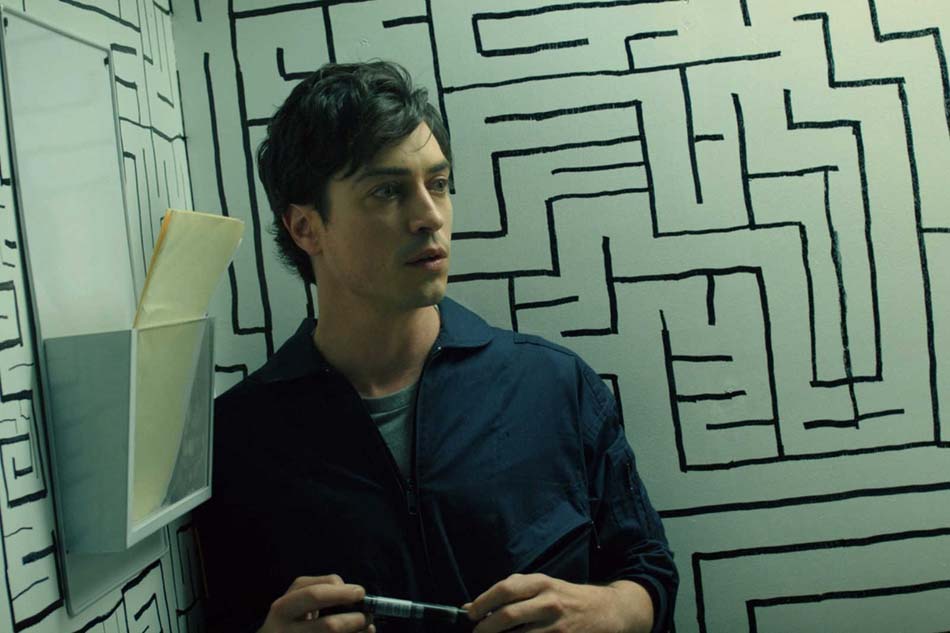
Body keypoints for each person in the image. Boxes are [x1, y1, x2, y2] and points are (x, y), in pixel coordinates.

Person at [194, 60, 677, 633]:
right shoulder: (239, 440)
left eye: (439, 184)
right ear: (305, 228)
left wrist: (610, 611)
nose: (430, 216)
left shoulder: (554, 384)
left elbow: (649, 570)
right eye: (386, 191)